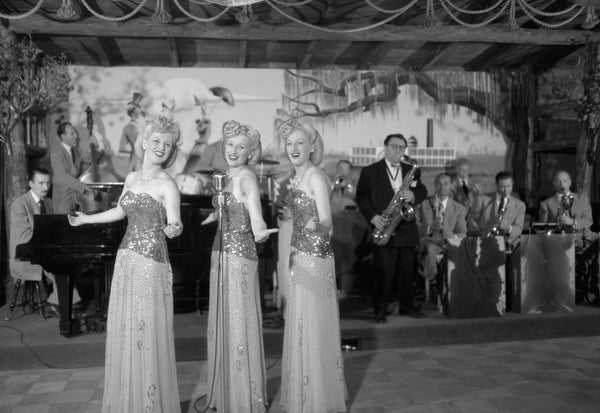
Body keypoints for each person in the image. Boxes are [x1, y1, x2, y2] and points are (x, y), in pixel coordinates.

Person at [69, 108, 183, 413]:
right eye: (156, 140)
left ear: (171, 150)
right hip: (127, 262)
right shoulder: (131, 178)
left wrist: (174, 228)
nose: (161, 146)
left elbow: (175, 221)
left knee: (147, 331)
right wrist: (85, 220)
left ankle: (148, 403)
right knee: (128, 329)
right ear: (144, 141)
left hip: (151, 265)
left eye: (168, 144)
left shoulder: (168, 185)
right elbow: (119, 213)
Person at [200, 120, 277, 412]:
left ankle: (242, 396)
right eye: (230, 144)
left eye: (241, 147)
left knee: (237, 323)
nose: (234, 150)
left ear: (250, 152)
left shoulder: (246, 178)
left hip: (238, 258)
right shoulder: (227, 177)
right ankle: (228, 391)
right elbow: (232, 209)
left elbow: (255, 213)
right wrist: (214, 216)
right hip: (221, 255)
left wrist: (259, 230)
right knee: (224, 322)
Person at [278, 119, 347, 413]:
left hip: (316, 258)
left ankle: (317, 399)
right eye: (289, 143)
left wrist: (315, 224)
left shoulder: (316, 177)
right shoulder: (295, 178)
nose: (294, 148)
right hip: (299, 255)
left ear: (311, 147)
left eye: (300, 143)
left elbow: (328, 221)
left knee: (315, 324)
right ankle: (304, 392)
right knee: (301, 323)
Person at [356, 133, 428, 323]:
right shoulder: (370, 171)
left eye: (402, 148)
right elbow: (362, 198)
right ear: (386, 147)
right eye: (395, 147)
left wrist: (414, 195)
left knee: (407, 273)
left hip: (405, 228)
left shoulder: (411, 170)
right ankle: (380, 311)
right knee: (382, 274)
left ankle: (407, 307)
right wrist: (373, 217)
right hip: (383, 225)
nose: (399, 151)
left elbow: (422, 190)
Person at [9, 168, 81, 317]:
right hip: (25, 255)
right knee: (58, 264)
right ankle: (60, 303)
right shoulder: (19, 205)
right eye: (41, 183)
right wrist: (51, 240)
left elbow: (52, 227)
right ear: (30, 183)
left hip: (41, 250)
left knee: (65, 260)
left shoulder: (47, 202)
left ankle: (61, 302)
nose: (45, 187)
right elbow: (24, 237)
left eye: (48, 183)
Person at [414, 172, 467, 281]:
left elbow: (462, 232)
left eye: (446, 184)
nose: (442, 187)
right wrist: (429, 227)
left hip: (448, 243)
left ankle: (453, 282)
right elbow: (414, 226)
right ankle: (432, 279)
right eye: (439, 184)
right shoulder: (423, 204)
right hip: (428, 242)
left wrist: (449, 235)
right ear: (434, 185)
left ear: (451, 186)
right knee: (429, 248)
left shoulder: (459, 208)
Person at [330, 159, 367, 298]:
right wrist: (335, 187)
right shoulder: (332, 184)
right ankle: (332, 288)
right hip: (336, 224)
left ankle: (345, 290)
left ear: (350, 171)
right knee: (335, 257)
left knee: (349, 258)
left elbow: (359, 199)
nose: (343, 172)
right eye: (340, 169)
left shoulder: (356, 184)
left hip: (352, 224)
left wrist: (350, 186)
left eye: (346, 169)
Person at [468, 170, 526, 246]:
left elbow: (519, 228)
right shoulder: (481, 200)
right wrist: (480, 235)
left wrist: (508, 228)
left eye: (509, 186)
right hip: (484, 244)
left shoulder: (520, 205)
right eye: (503, 187)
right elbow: (471, 219)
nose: (506, 190)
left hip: (508, 246)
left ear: (513, 184)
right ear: (496, 185)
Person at [50, 122, 93, 214]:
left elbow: (88, 160)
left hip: (74, 198)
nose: (76, 136)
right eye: (72, 133)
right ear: (63, 136)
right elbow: (62, 176)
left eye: (75, 133)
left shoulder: (75, 151)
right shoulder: (56, 153)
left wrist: (94, 148)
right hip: (62, 198)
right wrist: (82, 187)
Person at [539, 170, 593, 236]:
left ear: (570, 183)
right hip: (558, 241)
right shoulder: (545, 204)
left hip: (582, 240)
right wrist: (556, 223)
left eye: (565, 181)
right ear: (554, 184)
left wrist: (572, 222)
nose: (562, 184)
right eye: (558, 181)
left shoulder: (582, 199)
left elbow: (588, 221)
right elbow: (542, 228)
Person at [118, 92, 145, 172]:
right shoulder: (129, 127)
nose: (139, 112)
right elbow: (122, 147)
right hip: (137, 161)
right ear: (133, 112)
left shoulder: (140, 126)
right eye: (137, 108)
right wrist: (134, 148)